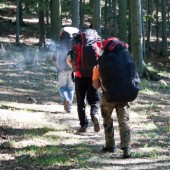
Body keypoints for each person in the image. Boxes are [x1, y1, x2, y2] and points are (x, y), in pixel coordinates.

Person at [92, 39, 131, 158]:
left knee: (107, 119)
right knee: (124, 121)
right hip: (124, 95)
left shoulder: (99, 65)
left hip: (108, 96)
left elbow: (95, 85)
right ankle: (126, 148)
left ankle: (110, 145)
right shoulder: (126, 61)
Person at [66, 31, 100, 133]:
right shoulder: (95, 41)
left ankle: (83, 124)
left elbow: (68, 59)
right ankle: (95, 115)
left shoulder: (76, 42)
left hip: (80, 76)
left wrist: (74, 68)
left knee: (81, 102)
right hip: (93, 75)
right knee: (94, 100)